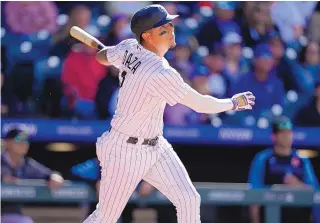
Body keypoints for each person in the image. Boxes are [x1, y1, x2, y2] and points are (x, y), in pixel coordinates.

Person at [85, 4, 255, 223]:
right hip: (124, 150)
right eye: (163, 28)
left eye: (169, 24)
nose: (171, 29)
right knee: (105, 218)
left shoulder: (128, 46)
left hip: (156, 146)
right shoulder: (160, 72)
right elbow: (201, 104)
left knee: (188, 199)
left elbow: (102, 56)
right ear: (147, 36)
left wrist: (118, 55)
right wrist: (232, 103)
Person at [248, 116, 319, 223]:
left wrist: (297, 185)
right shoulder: (263, 158)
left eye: (289, 132)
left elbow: (315, 192)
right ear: (274, 136)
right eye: (282, 133)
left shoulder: (302, 159)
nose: (286, 136)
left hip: (298, 217)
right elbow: (254, 193)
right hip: (271, 217)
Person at [1, 129, 64, 223]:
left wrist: (55, 176)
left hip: (13, 214)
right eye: (19, 140)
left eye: (26, 140)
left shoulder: (27, 163)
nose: (24, 144)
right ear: (8, 142)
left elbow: (50, 174)